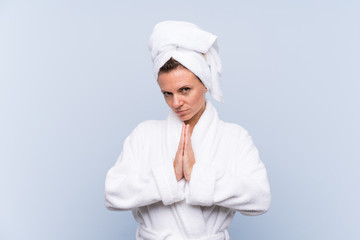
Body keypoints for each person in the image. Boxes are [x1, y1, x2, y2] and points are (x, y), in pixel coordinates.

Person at [105, 20, 271, 240]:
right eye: (167, 93)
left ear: (205, 83)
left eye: (185, 90)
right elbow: (113, 194)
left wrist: (198, 176)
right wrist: (167, 177)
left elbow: (260, 198)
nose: (176, 103)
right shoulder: (144, 135)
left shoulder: (234, 138)